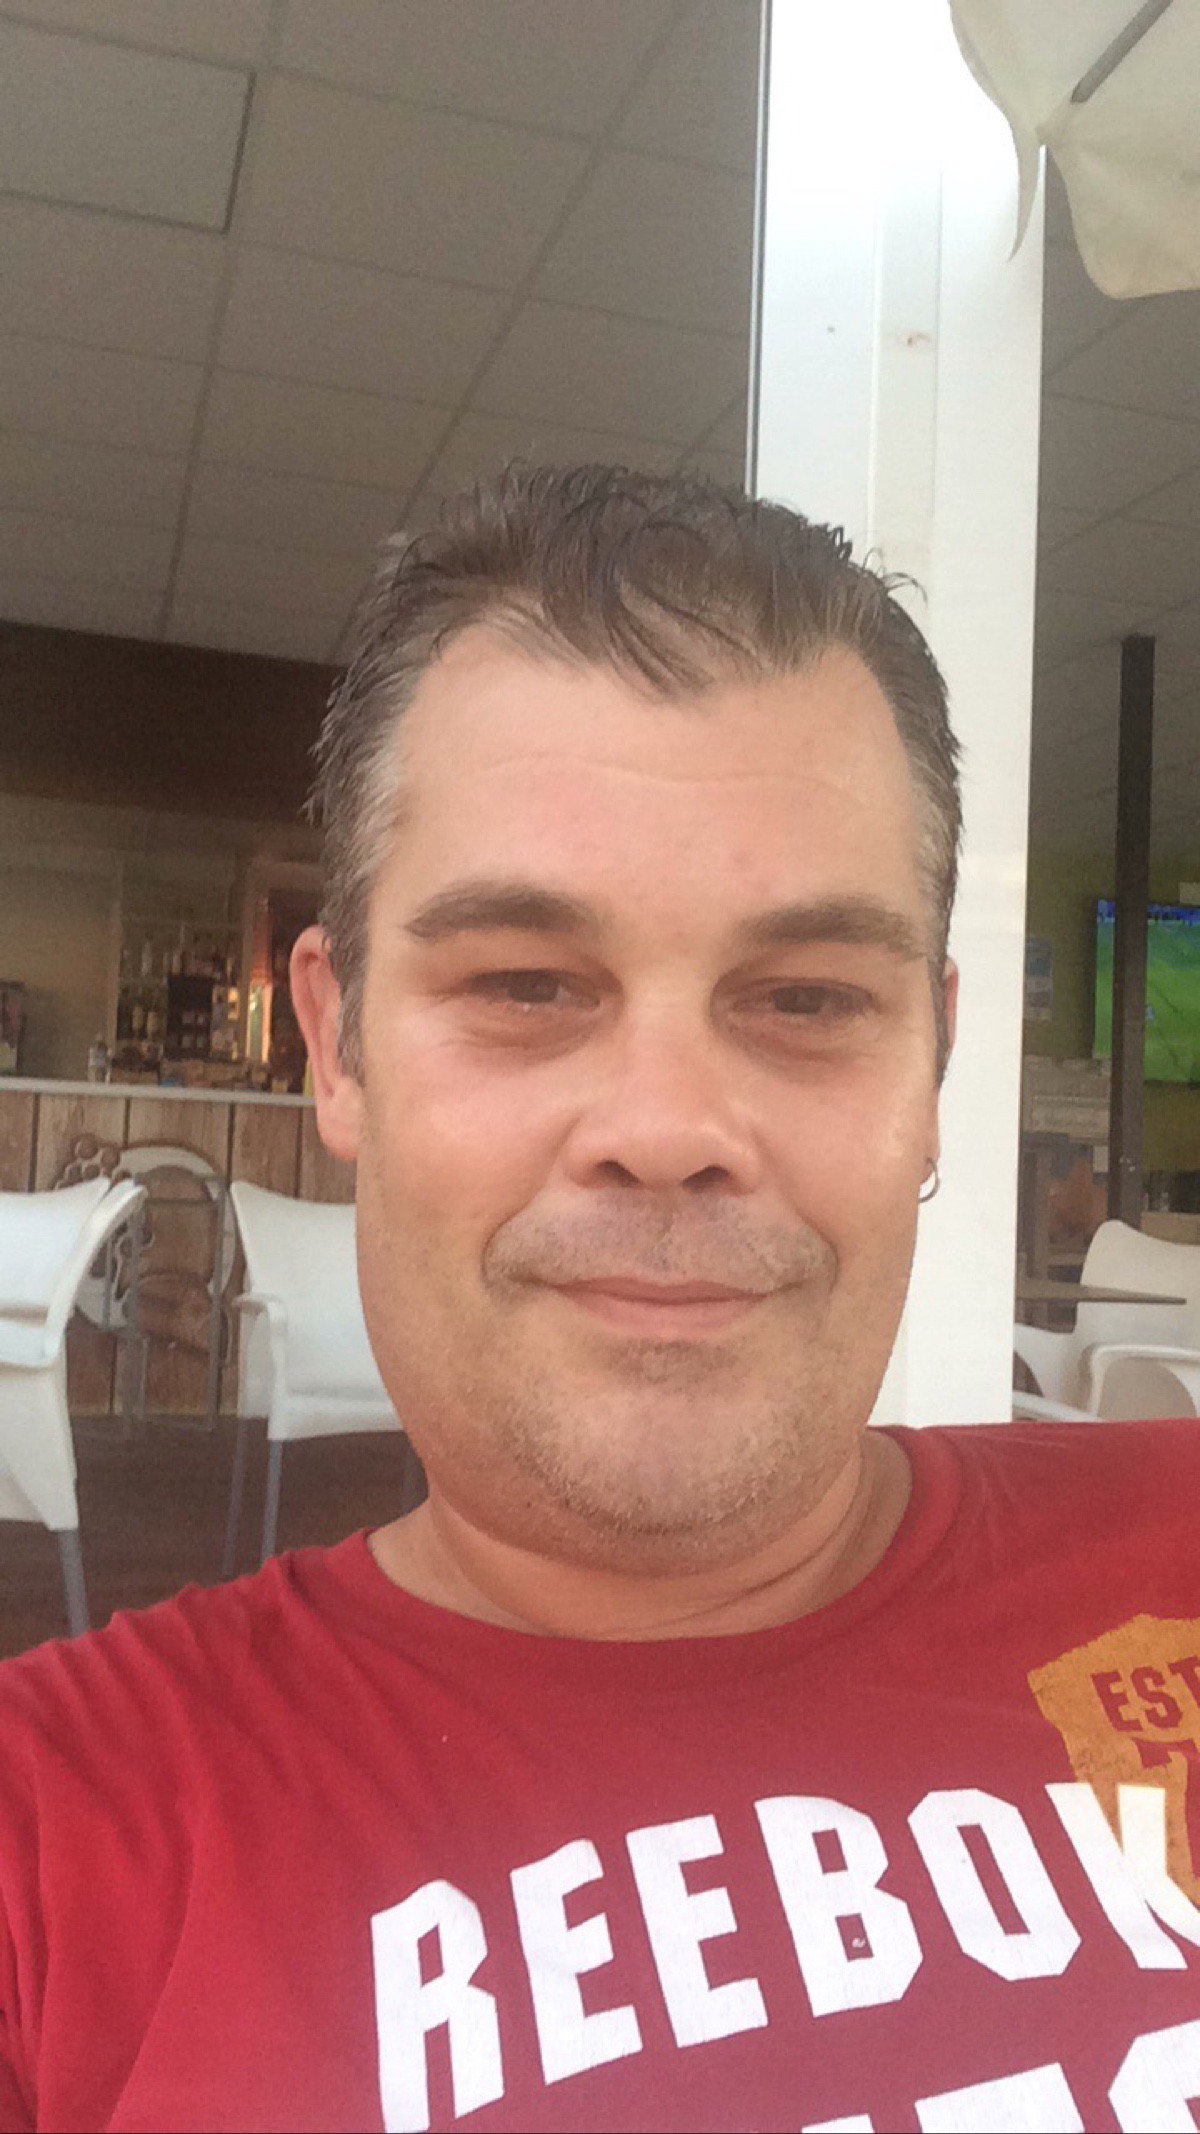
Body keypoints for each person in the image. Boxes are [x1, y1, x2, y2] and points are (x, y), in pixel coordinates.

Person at [0, 466, 1196, 2134]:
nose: (667, 1125)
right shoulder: (58, 1844)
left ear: (932, 1063)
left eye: (805, 997)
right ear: (339, 1046)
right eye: (524, 982)